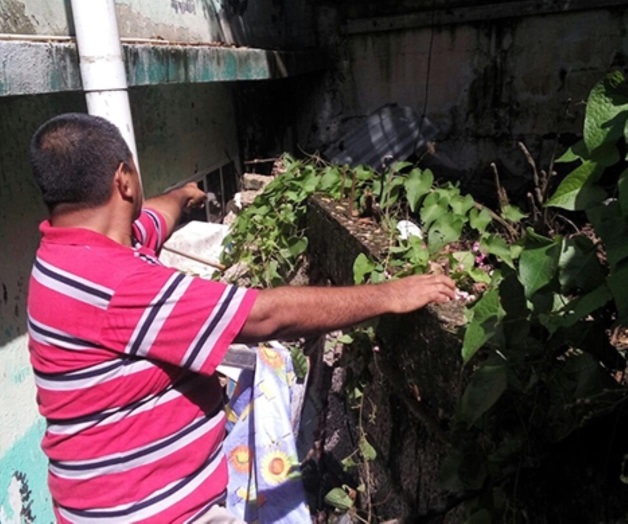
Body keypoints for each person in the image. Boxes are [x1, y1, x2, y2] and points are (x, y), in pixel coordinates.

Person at [27, 113, 457, 523]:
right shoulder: (118, 285)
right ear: (123, 179)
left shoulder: (65, 258)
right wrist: (389, 294)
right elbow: (267, 315)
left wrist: (182, 196)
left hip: (100, 503)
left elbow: (152, 219)